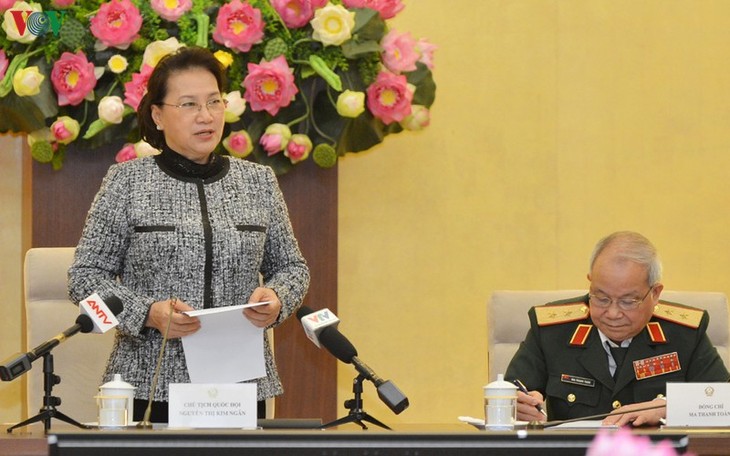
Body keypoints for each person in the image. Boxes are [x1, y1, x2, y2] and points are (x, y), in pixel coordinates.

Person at [68, 47, 310, 423]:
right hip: (149, 384)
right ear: (157, 115)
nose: (206, 116)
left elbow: (292, 267)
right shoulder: (127, 182)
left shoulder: (258, 181)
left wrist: (278, 297)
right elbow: (84, 278)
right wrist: (146, 313)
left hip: (241, 387)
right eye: (189, 104)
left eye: (214, 102)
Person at [505, 231, 730, 426]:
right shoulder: (552, 331)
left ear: (655, 293)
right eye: (601, 298)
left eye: (628, 301)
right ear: (590, 282)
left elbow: (724, 402)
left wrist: (666, 408)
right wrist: (517, 405)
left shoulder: (684, 334)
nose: (613, 313)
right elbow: (510, 394)